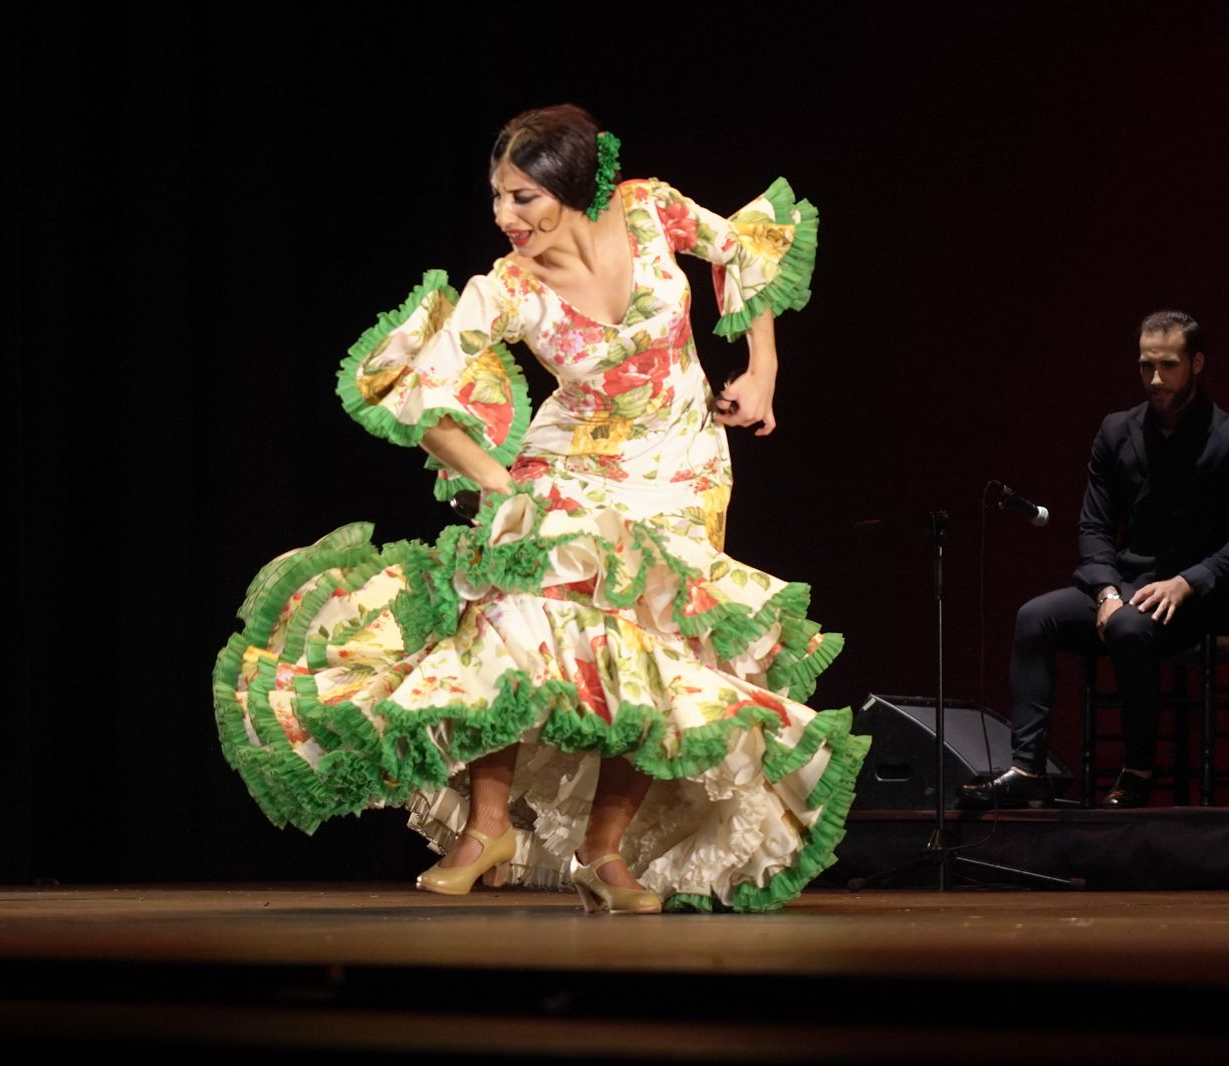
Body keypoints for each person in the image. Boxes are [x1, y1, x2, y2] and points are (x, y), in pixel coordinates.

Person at [212, 105, 868, 912]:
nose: (503, 216)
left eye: (522, 197)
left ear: (574, 188)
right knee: (512, 621)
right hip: (568, 462)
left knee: (652, 660)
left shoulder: (648, 207)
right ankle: (485, 827)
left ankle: (603, 852)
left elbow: (747, 247)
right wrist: (503, 486)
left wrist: (762, 368)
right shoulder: (509, 289)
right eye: (497, 197)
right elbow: (421, 401)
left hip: (682, 467)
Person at [959, 310, 1229, 810]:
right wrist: (1105, 591)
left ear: (1197, 363)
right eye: (1146, 365)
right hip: (1124, 586)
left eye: (1168, 365)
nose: (1156, 379)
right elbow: (1094, 527)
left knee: (1127, 629)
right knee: (1035, 617)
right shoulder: (1117, 430)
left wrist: (1188, 581)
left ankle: (1138, 769)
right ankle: (1028, 767)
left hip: (1194, 597)